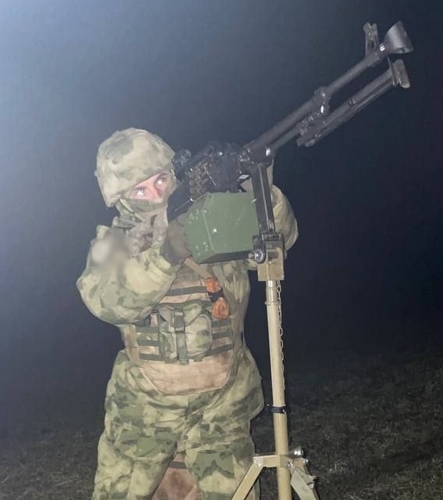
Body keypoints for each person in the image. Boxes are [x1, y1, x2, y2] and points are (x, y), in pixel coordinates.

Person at [77, 128, 298, 500]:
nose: (156, 195)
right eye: (140, 190)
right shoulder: (114, 243)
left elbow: (280, 237)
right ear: (121, 199)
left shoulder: (212, 220)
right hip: (146, 412)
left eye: (161, 181)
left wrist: (256, 188)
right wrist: (166, 255)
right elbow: (107, 300)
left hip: (222, 405)